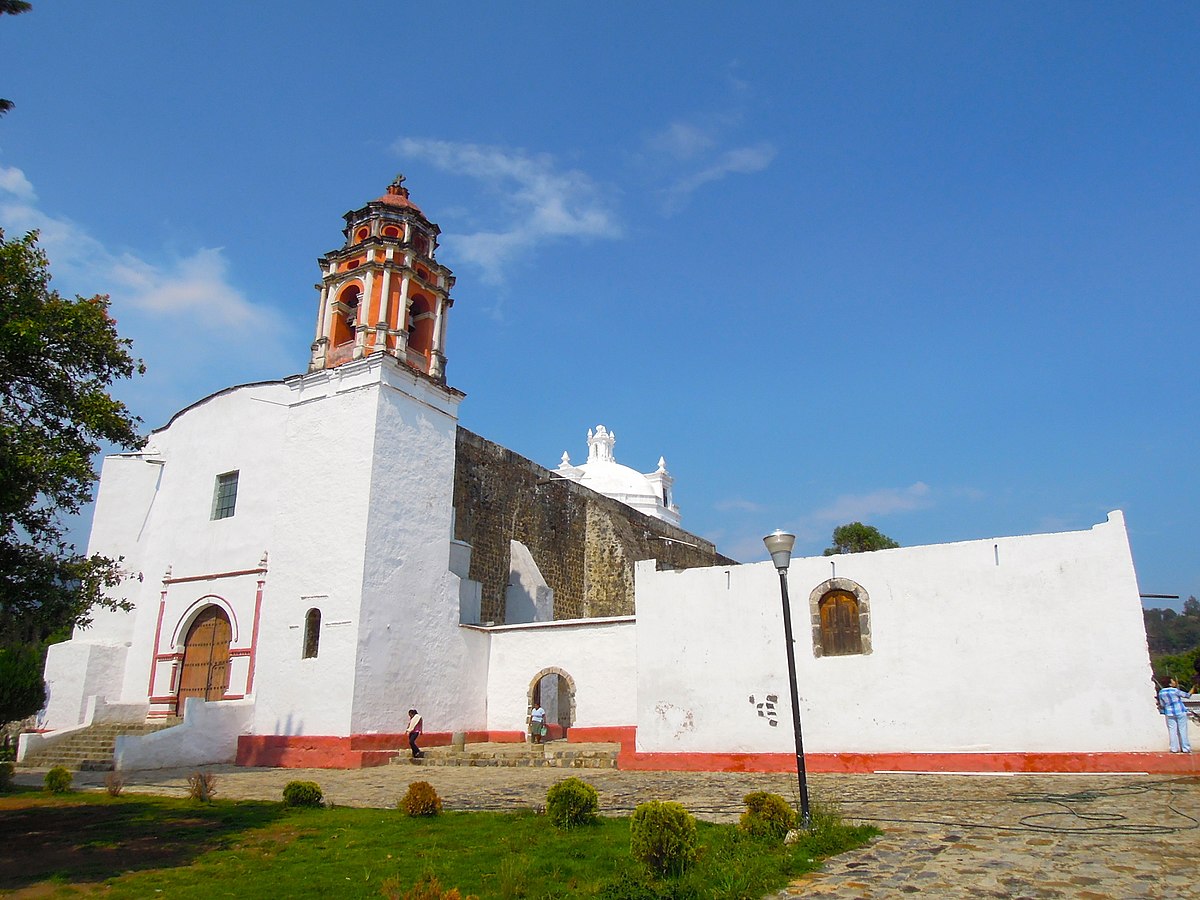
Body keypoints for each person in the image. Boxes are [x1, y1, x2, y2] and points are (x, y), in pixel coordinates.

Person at [1157, 677, 1192, 753]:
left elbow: (1162, 704)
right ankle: (1185, 748)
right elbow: (1187, 695)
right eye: (1172, 681)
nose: (1174, 682)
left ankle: (1174, 748)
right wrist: (1194, 687)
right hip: (1180, 711)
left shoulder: (1161, 692)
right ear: (1170, 683)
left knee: (1172, 731)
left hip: (1169, 713)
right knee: (1182, 729)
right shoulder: (1175, 691)